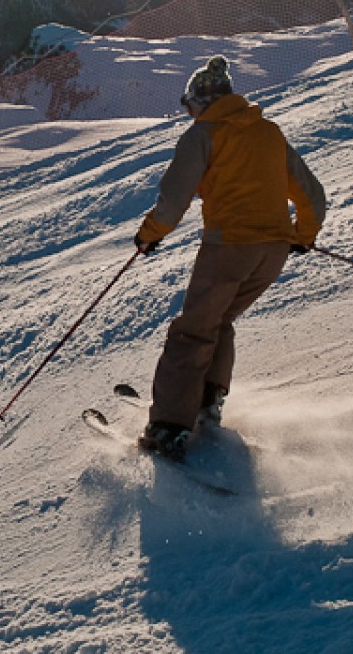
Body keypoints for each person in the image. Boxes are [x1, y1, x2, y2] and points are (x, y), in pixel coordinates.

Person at [132, 55, 326, 460]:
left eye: (189, 107)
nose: (189, 115)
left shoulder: (203, 135)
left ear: (200, 104)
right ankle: (205, 401)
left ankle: (168, 426)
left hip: (229, 249)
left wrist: (149, 236)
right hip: (272, 253)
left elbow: (174, 200)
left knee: (191, 332)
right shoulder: (269, 132)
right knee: (218, 321)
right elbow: (312, 194)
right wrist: (302, 236)